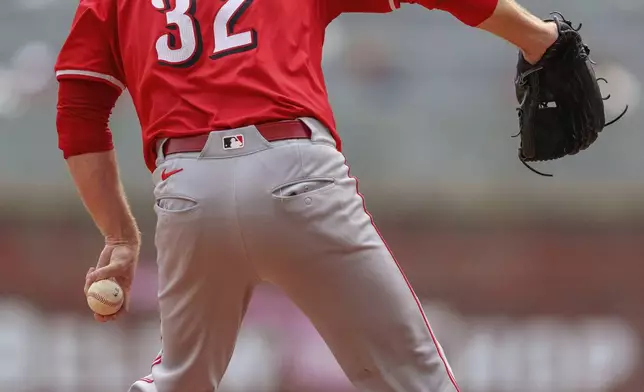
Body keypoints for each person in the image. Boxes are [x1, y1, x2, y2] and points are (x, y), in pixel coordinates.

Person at [55, 0, 558, 390]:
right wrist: (538, 38)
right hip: (296, 170)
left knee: (180, 381)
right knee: (414, 379)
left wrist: (120, 236)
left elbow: (79, 115)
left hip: (186, 186)